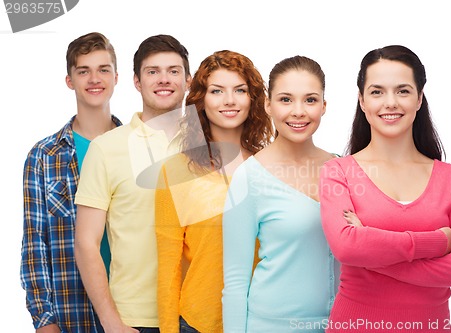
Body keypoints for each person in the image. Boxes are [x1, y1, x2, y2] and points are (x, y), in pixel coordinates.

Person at [320, 45, 451, 333]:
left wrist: (373, 255)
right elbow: (346, 247)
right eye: (377, 91)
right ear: (361, 100)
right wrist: (436, 242)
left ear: (419, 99)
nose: (390, 102)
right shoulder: (338, 172)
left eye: (403, 91)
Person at [74, 34, 191, 333]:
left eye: (173, 71)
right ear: (137, 82)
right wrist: (111, 322)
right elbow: (86, 243)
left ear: (188, 80)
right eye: (153, 72)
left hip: (201, 314)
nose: (164, 79)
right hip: (136, 320)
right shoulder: (106, 148)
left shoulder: (208, 145)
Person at [155, 50, 273, 333]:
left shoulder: (272, 166)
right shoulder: (174, 171)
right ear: (201, 100)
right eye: (217, 91)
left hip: (265, 320)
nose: (229, 100)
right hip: (199, 322)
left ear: (253, 100)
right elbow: (168, 268)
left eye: (240, 90)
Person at [223, 55, 336, 332]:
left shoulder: (342, 169)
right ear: (268, 105)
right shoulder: (248, 177)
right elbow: (236, 281)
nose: (298, 111)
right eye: (286, 99)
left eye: (310, 100)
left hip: (339, 323)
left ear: (324, 106)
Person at [20, 32, 121, 333]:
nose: (94, 79)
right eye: (83, 71)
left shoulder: (137, 148)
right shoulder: (43, 156)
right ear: (70, 81)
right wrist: (44, 321)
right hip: (71, 314)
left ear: (117, 77)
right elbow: (34, 244)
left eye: (103, 69)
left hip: (131, 310)